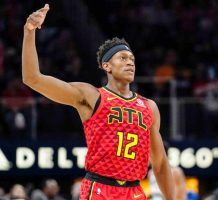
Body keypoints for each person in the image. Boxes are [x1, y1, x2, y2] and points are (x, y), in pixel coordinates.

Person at [22, 4, 175, 200]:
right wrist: (29, 32)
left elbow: (160, 163)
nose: (130, 62)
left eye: (132, 59)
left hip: (134, 191)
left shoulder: (149, 107)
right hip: (100, 188)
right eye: (123, 58)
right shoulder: (91, 95)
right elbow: (32, 78)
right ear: (107, 65)